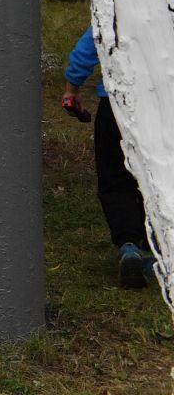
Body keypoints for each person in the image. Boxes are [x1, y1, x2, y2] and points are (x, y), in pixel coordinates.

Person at [62, 27, 153, 288]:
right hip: (163, 103)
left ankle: (129, 246)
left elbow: (90, 45)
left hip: (116, 103)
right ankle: (160, 244)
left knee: (115, 177)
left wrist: (72, 87)